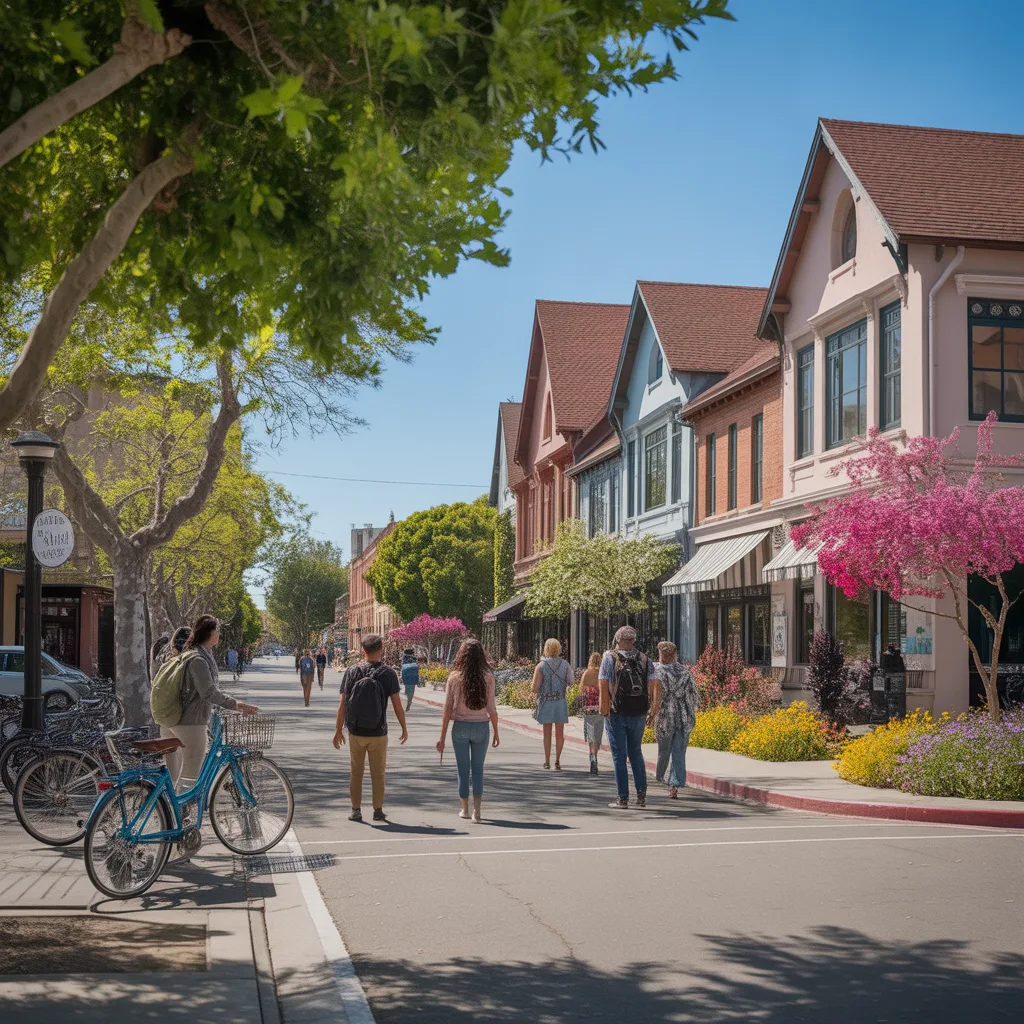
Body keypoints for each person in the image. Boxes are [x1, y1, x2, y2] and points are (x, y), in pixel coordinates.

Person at [162, 614, 259, 791]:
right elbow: (209, 692)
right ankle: (181, 816)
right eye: (218, 631)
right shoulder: (198, 659)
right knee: (190, 776)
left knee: (174, 777)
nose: (219, 635)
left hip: (172, 720)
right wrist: (237, 705)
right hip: (190, 723)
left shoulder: (193, 654)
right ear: (211, 633)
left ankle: (169, 815)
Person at [333, 633, 408, 823]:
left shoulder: (351, 671)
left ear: (362, 651)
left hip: (355, 731)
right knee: (378, 774)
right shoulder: (388, 673)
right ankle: (378, 811)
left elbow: (342, 704)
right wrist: (404, 728)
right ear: (381, 649)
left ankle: (356, 810)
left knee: (356, 772)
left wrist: (337, 730)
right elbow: (397, 705)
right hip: (378, 732)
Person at [436, 639, 499, 822]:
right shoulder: (488, 676)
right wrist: (496, 731)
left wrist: (442, 737)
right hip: (481, 726)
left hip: (460, 727)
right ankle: (477, 812)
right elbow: (492, 708)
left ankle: (464, 809)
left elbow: (447, 708)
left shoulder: (455, 677)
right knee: (478, 769)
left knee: (463, 769)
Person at [599, 626, 657, 808]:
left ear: (617, 639)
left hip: (616, 711)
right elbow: (653, 683)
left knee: (619, 756)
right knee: (636, 753)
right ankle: (641, 796)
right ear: (633, 640)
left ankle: (622, 798)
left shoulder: (609, 657)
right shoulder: (644, 658)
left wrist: (604, 708)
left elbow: (603, 681)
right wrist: (651, 709)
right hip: (638, 711)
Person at [652, 641, 698, 799]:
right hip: (683, 715)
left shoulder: (656, 670)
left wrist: (651, 713)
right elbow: (693, 695)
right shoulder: (685, 672)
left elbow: (654, 695)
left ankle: (661, 776)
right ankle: (674, 783)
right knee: (679, 751)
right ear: (674, 654)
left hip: (664, 715)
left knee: (663, 750)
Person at [531, 638, 571, 770]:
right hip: (560, 701)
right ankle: (557, 761)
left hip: (546, 701)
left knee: (546, 734)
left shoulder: (541, 665)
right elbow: (571, 681)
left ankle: (547, 761)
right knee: (560, 733)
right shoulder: (565, 664)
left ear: (546, 649)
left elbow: (534, 688)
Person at [580, 652, 605, 776]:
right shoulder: (602, 674)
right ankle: (595, 754)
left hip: (589, 708)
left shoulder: (586, 673)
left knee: (591, 736)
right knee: (598, 735)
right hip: (600, 708)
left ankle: (593, 758)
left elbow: (581, 690)